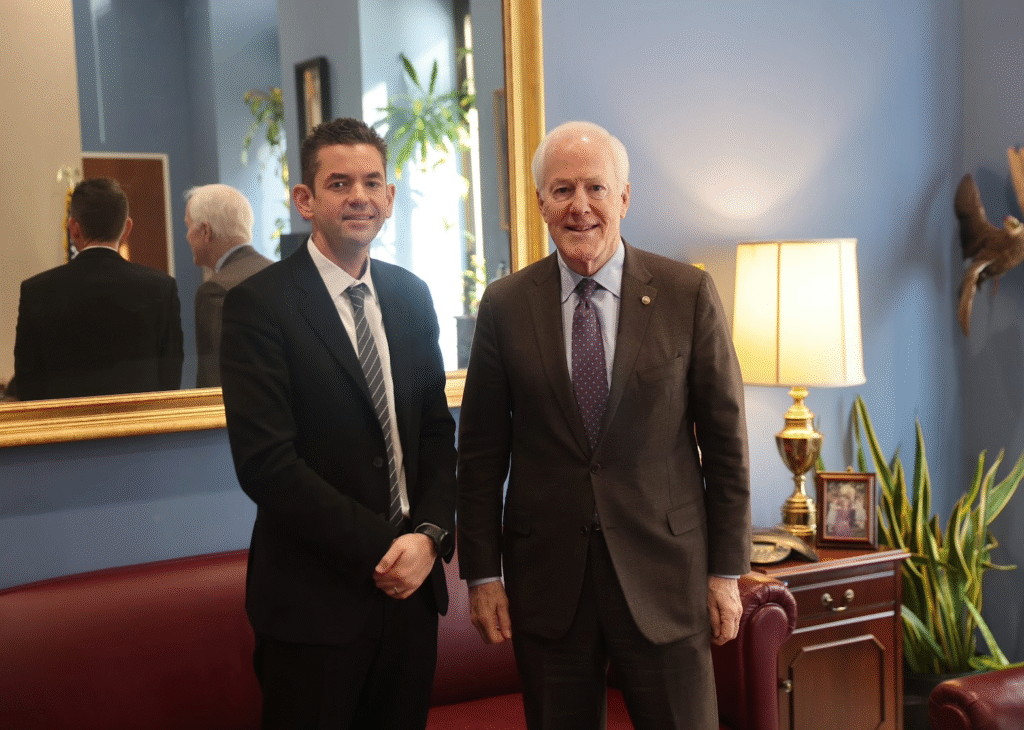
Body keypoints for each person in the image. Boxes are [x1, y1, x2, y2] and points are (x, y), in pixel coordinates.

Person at [457, 121, 752, 730]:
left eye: (596, 188)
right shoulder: (506, 305)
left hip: (666, 577)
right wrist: (483, 574)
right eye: (562, 190)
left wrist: (727, 572)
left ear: (623, 198)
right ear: (540, 203)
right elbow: (481, 453)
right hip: (547, 585)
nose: (580, 206)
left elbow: (726, 446)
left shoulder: (685, 292)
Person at [219, 117, 457, 730]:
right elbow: (267, 466)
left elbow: (435, 437)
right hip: (313, 609)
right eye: (338, 183)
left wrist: (428, 537)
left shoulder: (410, 296)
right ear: (305, 200)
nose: (359, 196)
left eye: (372, 182)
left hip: (411, 601)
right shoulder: (258, 306)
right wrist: (387, 549)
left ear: (390, 198)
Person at [13, 177, 183, 400]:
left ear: (74, 228)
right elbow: (170, 379)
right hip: (141, 430)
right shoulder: (162, 288)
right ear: (127, 228)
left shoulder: (36, 292)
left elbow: (28, 385)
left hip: (65, 430)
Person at [184, 183, 272, 387]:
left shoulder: (215, 290)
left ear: (205, 231)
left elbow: (215, 378)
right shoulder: (282, 274)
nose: (187, 236)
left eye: (189, 227)